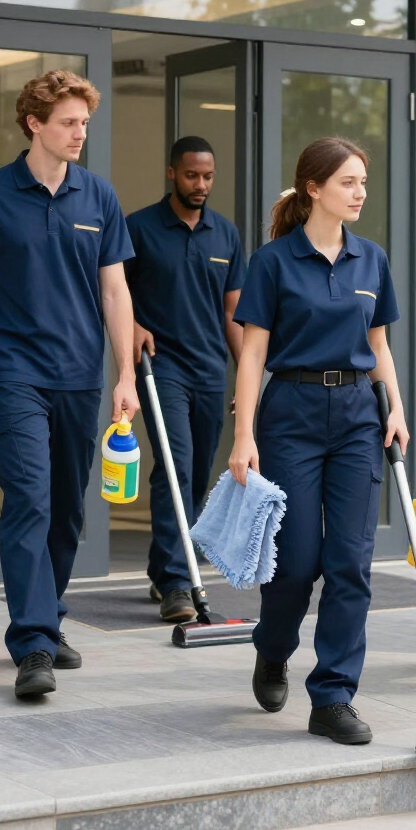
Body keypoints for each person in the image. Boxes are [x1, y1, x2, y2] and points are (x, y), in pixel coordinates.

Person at [0, 70, 138, 699]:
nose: (81, 133)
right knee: (28, 499)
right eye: (69, 122)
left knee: (67, 511)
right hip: (16, 372)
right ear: (35, 123)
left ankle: (47, 619)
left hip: (80, 375)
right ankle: (30, 643)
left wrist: (125, 373)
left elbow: (115, 290)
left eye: (84, 122)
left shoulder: (98, 197)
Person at [228, 136, 408, 746]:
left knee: (351, 562)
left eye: (363, 181)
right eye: (349, 182)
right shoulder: (275, 261)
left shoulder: (371, 259)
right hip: (292, 414)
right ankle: (273, 649)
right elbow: (252, 354)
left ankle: (332, 695)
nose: (360, 193)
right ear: (313, 189)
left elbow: (380, 344)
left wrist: (398, 408)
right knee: (297, 564)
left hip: (359, 413)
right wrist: (243, 435)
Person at [124, 135, 245, 622]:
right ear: (172, 173)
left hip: (210, 367)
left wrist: (246, 380)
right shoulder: (139, 228)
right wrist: (132, 324)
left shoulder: (226, 234)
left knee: (194, 476)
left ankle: (162, 565)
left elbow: (233, 311)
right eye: (192, 175)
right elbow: (114, 292)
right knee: (175, 465)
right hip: (162, 367)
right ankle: (177, 581)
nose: (201, 184)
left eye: (209, 176)